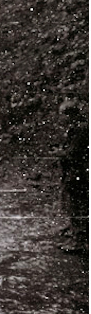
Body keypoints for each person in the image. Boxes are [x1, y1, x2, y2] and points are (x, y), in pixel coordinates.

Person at [58, 99, 88, 253]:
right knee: (74, 205)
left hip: (80, 173)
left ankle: (80, 242)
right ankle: (76, 235)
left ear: (70, 115)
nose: (60, 118)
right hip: (75, 172)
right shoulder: (76, 128)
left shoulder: (81, 129)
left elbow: (74, 152)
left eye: (62, 115)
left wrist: (61, 153)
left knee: (78, 206)